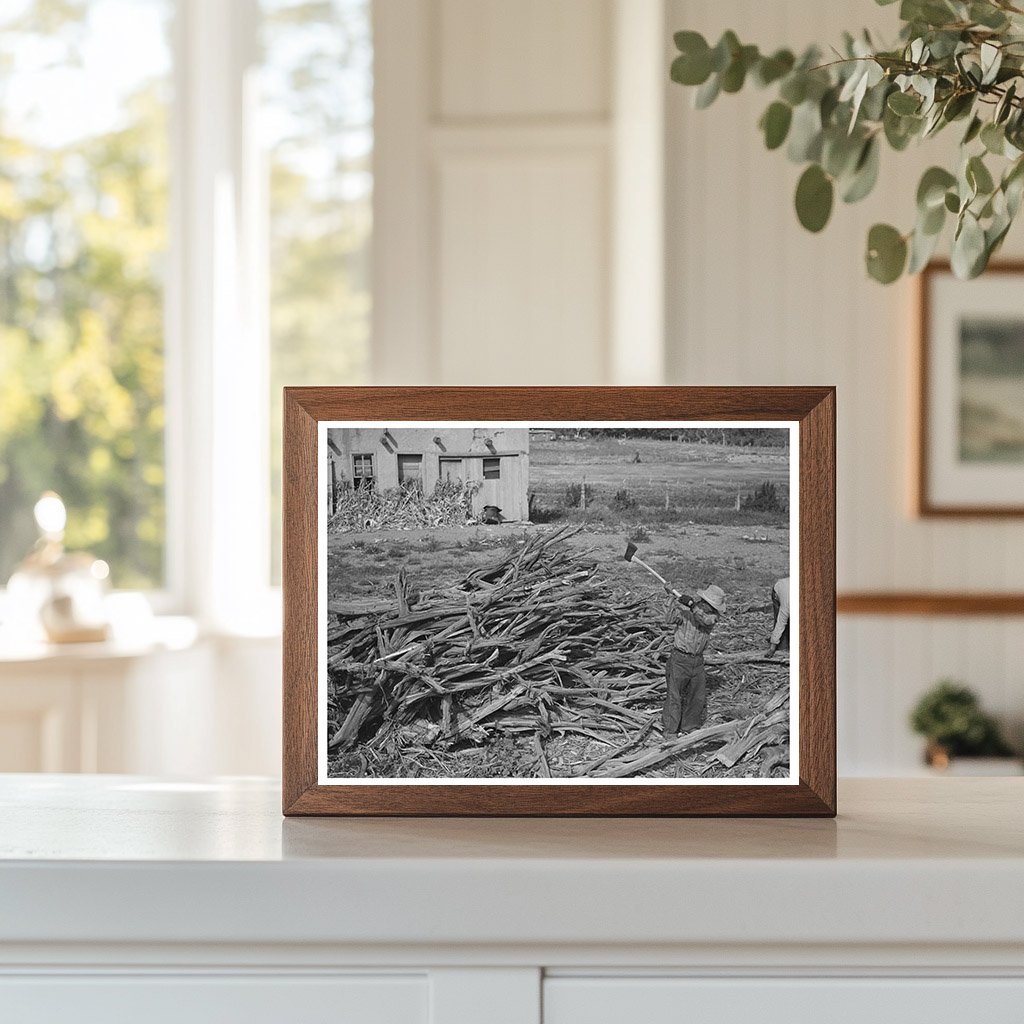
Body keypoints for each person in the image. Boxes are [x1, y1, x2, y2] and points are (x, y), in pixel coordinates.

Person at [661, 584, 726, 743]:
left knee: (696, 696)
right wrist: (670, 596)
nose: (708, 608)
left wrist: (692, 606)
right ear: (703, 601)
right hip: (679, 659)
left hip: (697, 660)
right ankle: (670, 731)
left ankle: (689, 727)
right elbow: (668, 619)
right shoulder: (685, 613)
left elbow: (705, 620)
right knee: (674, 696)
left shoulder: (712, 617)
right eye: (706, 604)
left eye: (711, 607)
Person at [765, 577, 790, 658]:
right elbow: (780, 624)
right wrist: (772, 649)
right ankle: (780, 643)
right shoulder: (786, 608)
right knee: (783, 647)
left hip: (789, 588)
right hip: (778, 589)